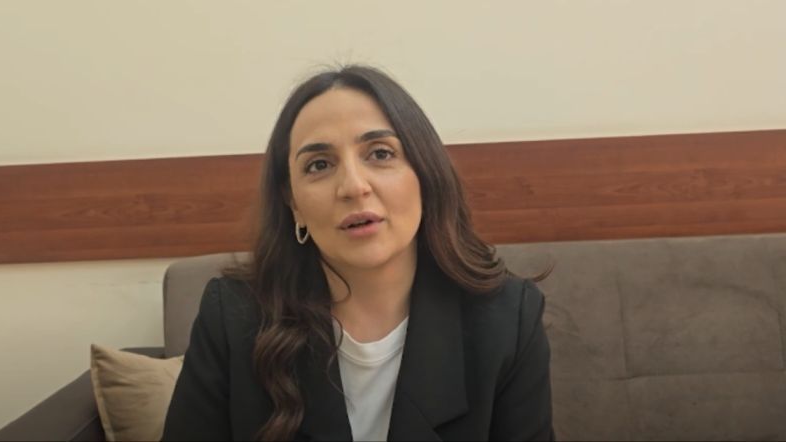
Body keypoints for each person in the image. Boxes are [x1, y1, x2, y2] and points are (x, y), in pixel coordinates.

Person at [162, 65, 553, 441]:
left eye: (380, 154)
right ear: (293, 202)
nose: (353, 186)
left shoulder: (507, 319)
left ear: (424, 173)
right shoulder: (232, 317)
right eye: (319, 164)